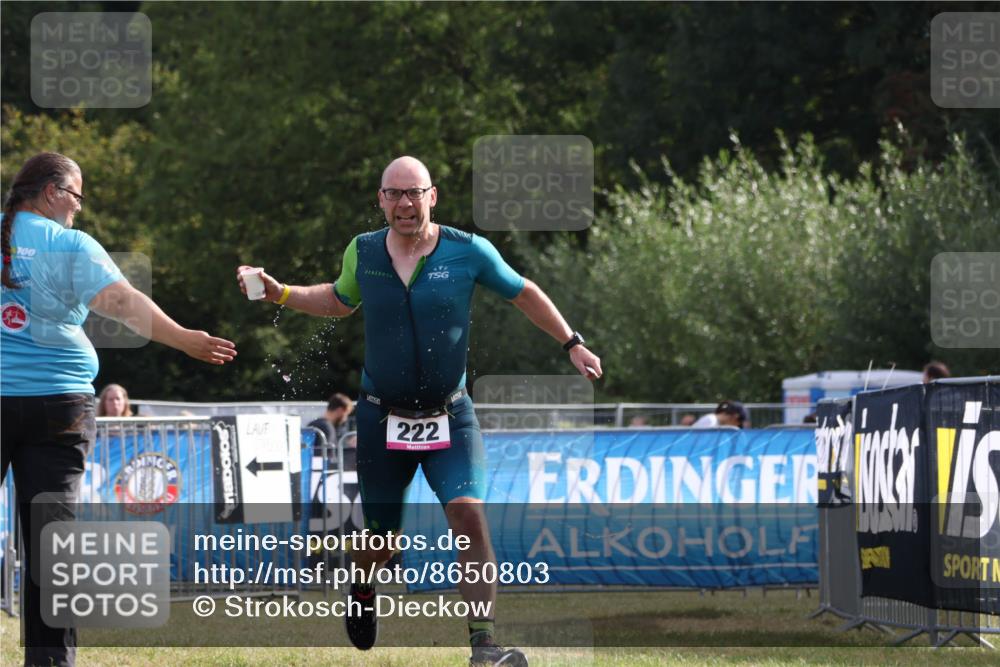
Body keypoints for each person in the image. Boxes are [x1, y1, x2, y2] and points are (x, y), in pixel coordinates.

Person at [238, 156, 601, 667]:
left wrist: (572, 343)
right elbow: (340, 301)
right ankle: (362, 587)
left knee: (468, 514)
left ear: (433, 196)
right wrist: (282, 293)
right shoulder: (363, 251)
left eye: (415, 193)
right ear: (380, 200)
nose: (405, 204)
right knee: (382, 542)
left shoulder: (468, 250)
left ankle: (484, 644)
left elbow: (524, 293)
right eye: (394, 194)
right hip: (380, 416)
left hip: (450, 415)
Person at [1, 152, 237, 667]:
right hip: (58, 405)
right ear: (52, 194)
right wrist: (183, 339)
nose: (79, 210)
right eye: (77, 197)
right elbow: (124, 304)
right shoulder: (69, 245)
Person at [307, 392, 355, 465]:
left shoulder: (312, 424)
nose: (345, 419)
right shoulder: (328, 428)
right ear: (340, 410)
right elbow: (330, 457)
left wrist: (348, 443)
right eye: (346, 414)